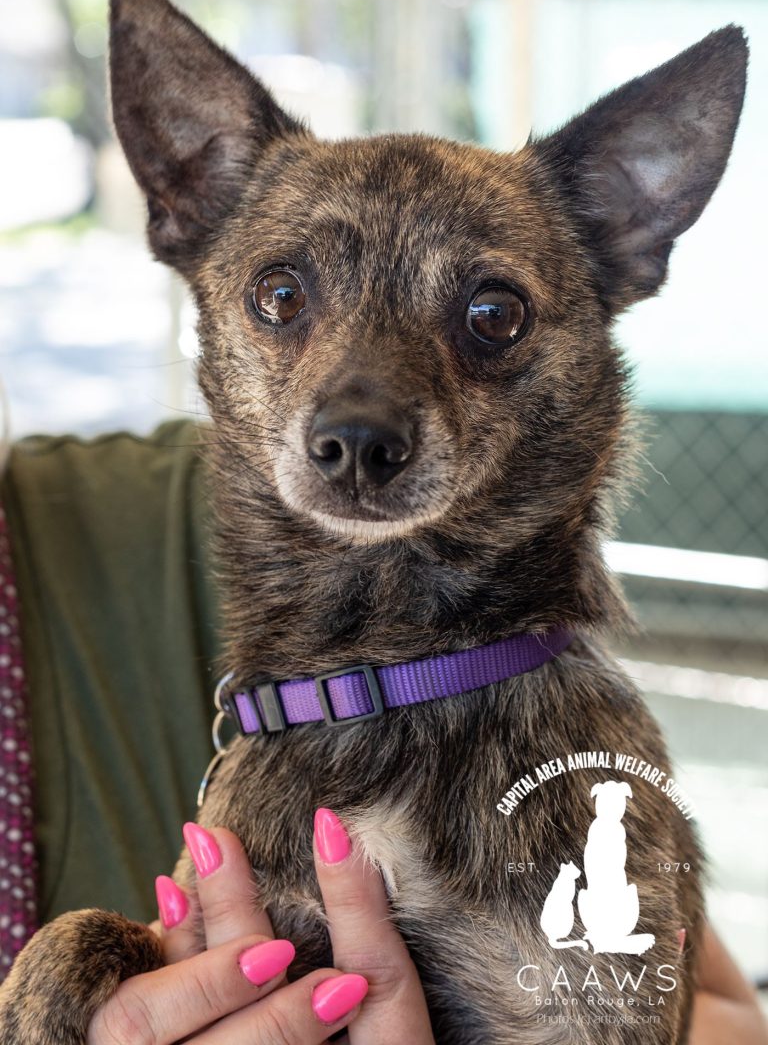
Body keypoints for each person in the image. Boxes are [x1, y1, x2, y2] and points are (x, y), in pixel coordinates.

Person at [1, 419, 766, 1042]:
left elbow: (727, 1019)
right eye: (283, 299)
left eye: (490, 317)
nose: (356, 434)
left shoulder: (284, 489)